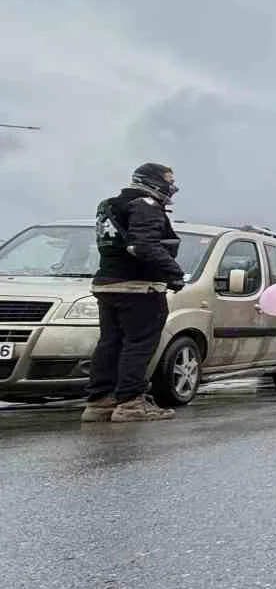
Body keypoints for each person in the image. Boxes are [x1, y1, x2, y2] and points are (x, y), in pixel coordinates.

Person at [81, 162, 187, 423]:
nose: (172, 187)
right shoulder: (145, 205)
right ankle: (130, 403)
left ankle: (100, 402)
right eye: (168, 181)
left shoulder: (108, 205)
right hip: (139, 287)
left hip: (107, 284)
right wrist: (174, 272)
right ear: (152, 181)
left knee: (110, 343)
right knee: (139, 344)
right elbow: (142, 246)